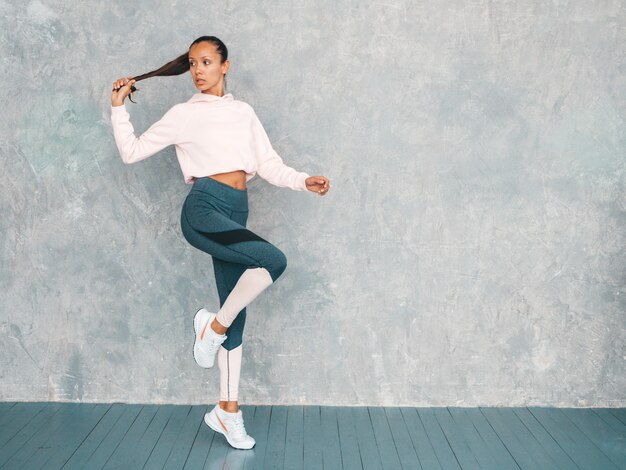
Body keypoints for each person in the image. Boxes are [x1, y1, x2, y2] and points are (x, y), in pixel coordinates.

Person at [110, 35, 330, 450]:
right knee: (272, 260)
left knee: (237, 313)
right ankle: (212, 325)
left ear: (225, 66)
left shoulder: (243, 112)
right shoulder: (182, 114)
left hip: (236, 210)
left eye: (206, 62)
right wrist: (118, 107)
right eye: (193, 63)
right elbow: (132, 151)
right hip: (204, 209)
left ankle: (227, 412)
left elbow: (267, 165)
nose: (197, 70)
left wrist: (304, 180)